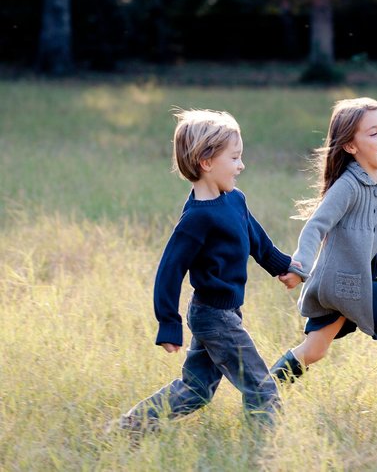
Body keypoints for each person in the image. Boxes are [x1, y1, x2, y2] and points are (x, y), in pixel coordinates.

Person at [112, 109, 303, 433]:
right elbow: (169, 271)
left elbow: (257, 240)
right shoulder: (197, 218)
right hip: (213, 316)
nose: (241, 165)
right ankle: (270, 454)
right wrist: (169, 324)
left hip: (224, 312)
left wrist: (283, 267)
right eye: (235, 157)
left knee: (196, 390)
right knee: (262, 387)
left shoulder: (235, 200)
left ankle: (128, 427)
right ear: (206, 161)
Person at [269, 97, 377, 419]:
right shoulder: (348, 186)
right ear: (351, 146)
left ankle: (264, 392)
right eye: (373, 133)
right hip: (347, 286)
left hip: (340, 284)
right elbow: (316, 226)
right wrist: (299, 267)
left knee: (314, 351)